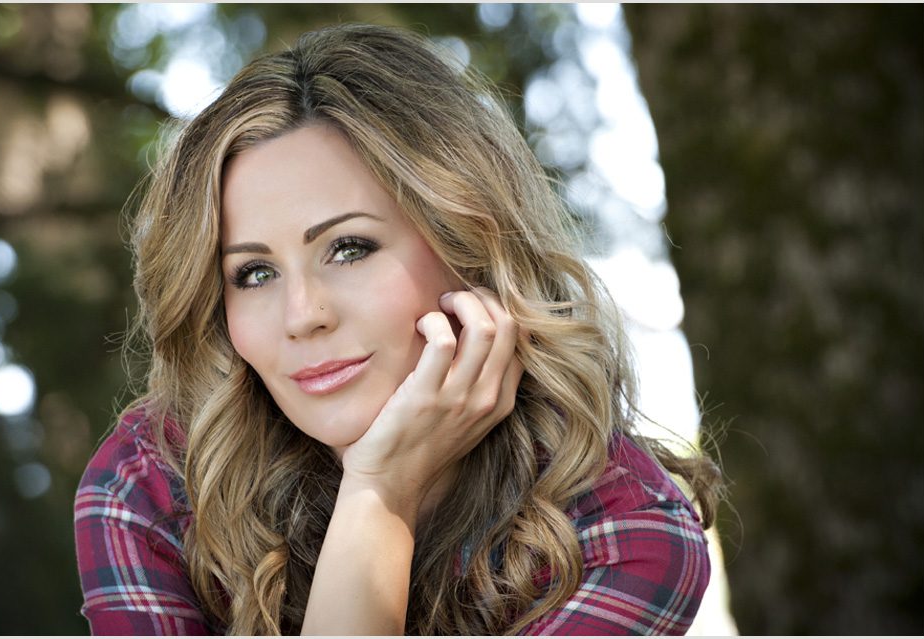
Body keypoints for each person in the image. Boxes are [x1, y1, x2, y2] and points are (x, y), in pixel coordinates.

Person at [74, 23, 722, 636]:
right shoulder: (149, 486)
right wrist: (381, 490)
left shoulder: (625, 530)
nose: (304, 315)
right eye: (253, 273)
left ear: (469, 245)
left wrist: (380, 491)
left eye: (349, 248)